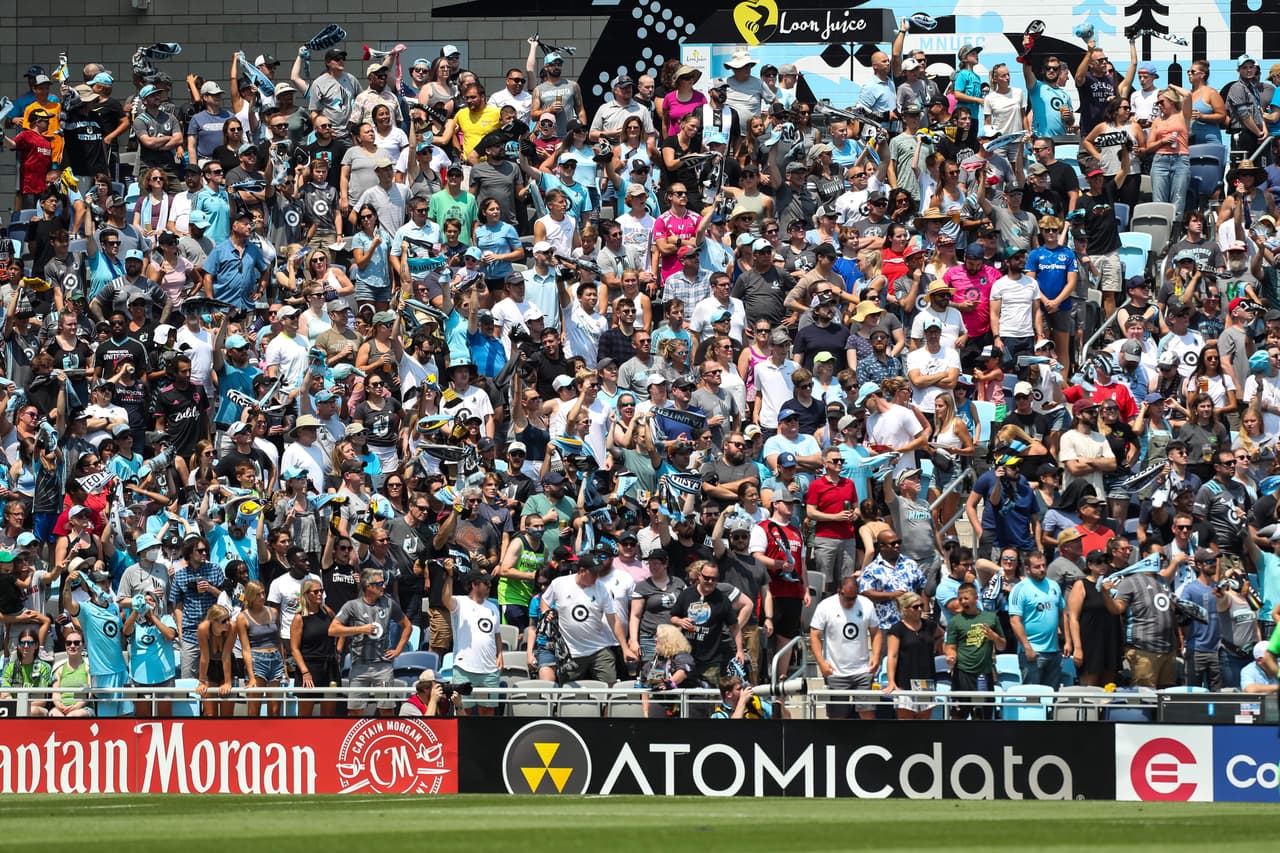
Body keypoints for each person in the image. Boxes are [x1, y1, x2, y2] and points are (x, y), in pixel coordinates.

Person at [541, 553, 637, 684]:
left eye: (598, 572)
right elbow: (544, 600)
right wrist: (547, 612)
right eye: (593, 573)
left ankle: (606, 704)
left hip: (598, 649)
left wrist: (625, 648)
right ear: (582, 571)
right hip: (571, 652)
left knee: (610, 686)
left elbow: (613, 619)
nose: (597, 577)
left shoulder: (603, 589)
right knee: (568, 691)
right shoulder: (559, 584)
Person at [330, 568, 412, 717]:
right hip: (359, 667)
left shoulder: (389, 603)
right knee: (355, 709)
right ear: (368, 586)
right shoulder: (352, 605)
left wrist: (398, 650)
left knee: (387, 709)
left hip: (383, 668)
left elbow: (407, 626)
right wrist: (360, 629)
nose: (384, 586)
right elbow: (333, 629)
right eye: (380, 583)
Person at [809, 573, 881, 720]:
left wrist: (876, 656)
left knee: (867, 713)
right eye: (846, 598)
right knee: (837, 716)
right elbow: (815, 635)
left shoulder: (866, 604)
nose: (850, 602)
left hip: (862, 670)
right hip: (836, 671)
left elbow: (876, 632)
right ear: (838, 591)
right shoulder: (825, 606)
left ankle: (869, 741)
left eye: (853, 598)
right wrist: (821, 663)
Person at [440, 562, 502, 716]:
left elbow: (496, 634)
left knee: (487, 710)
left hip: (489, 669)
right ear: (474, 584)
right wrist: (449, 575)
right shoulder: (460, 602)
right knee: (463, 709)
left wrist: (500, 653)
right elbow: (445, 598)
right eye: (485, 583)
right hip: (464, 668)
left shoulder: (493, 607)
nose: (489, 586)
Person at [944, 582, 1005, 720]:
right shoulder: (955, 621)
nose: (962, 602)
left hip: (984, 675)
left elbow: (1002, 646)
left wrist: (994, 637)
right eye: (960, 599)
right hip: (962, 674)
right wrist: (951, 656)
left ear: (976, 598)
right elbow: (950, 646)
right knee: (959, 716)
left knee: (983, 717)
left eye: (966, 598)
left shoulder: (991, 618)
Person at [1008, 551, 1067, 687]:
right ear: (1027, 569)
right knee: (1033, 698)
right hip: (1033, 652)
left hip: (1054, 651)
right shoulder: (1020, 589)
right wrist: (1027, 647)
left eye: (1044, 566)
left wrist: (1068, 641)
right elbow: (1015, 621)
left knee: (1051, 697)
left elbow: (1062, 613)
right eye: (1037, 567)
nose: (1042, 569)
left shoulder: (1054, 585)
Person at [710, 674, 787, 719]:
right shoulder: (718, 715)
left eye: (743, 688)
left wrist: (780, 700)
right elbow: (731, 729)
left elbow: (786, 719)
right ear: (728, 694)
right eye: (739, 689)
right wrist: (742, 701)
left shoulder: (756, 704)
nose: (744, 691)